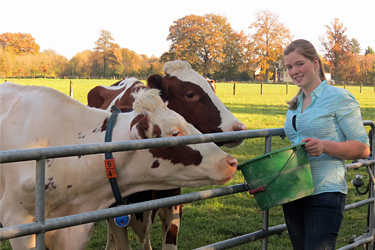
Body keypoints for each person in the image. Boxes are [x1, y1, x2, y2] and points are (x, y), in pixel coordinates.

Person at [282, 39, 370, 250]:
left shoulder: (339, 98)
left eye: (299, 64)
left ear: (315, 62)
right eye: (289, 67)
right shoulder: (295, 104)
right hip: (294, 190)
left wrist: (324, 146)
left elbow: (363, 148)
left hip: (325, 191)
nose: (294, 71)